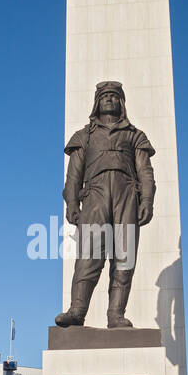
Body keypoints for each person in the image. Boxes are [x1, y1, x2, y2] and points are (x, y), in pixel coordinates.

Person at [54, 81, 156, 329]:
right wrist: (71, 204)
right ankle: (77, 310)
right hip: (95, 197)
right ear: (97, 102)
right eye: (105, 96)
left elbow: (146, 172)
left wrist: (147, 201)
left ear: (121, 103)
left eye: (114, 96)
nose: (109, 100)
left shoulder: (135, 135)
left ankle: (116, 314)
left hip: (127, 195)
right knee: (89, 256)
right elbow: (73, 176)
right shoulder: (84, 136)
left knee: (125, 257)